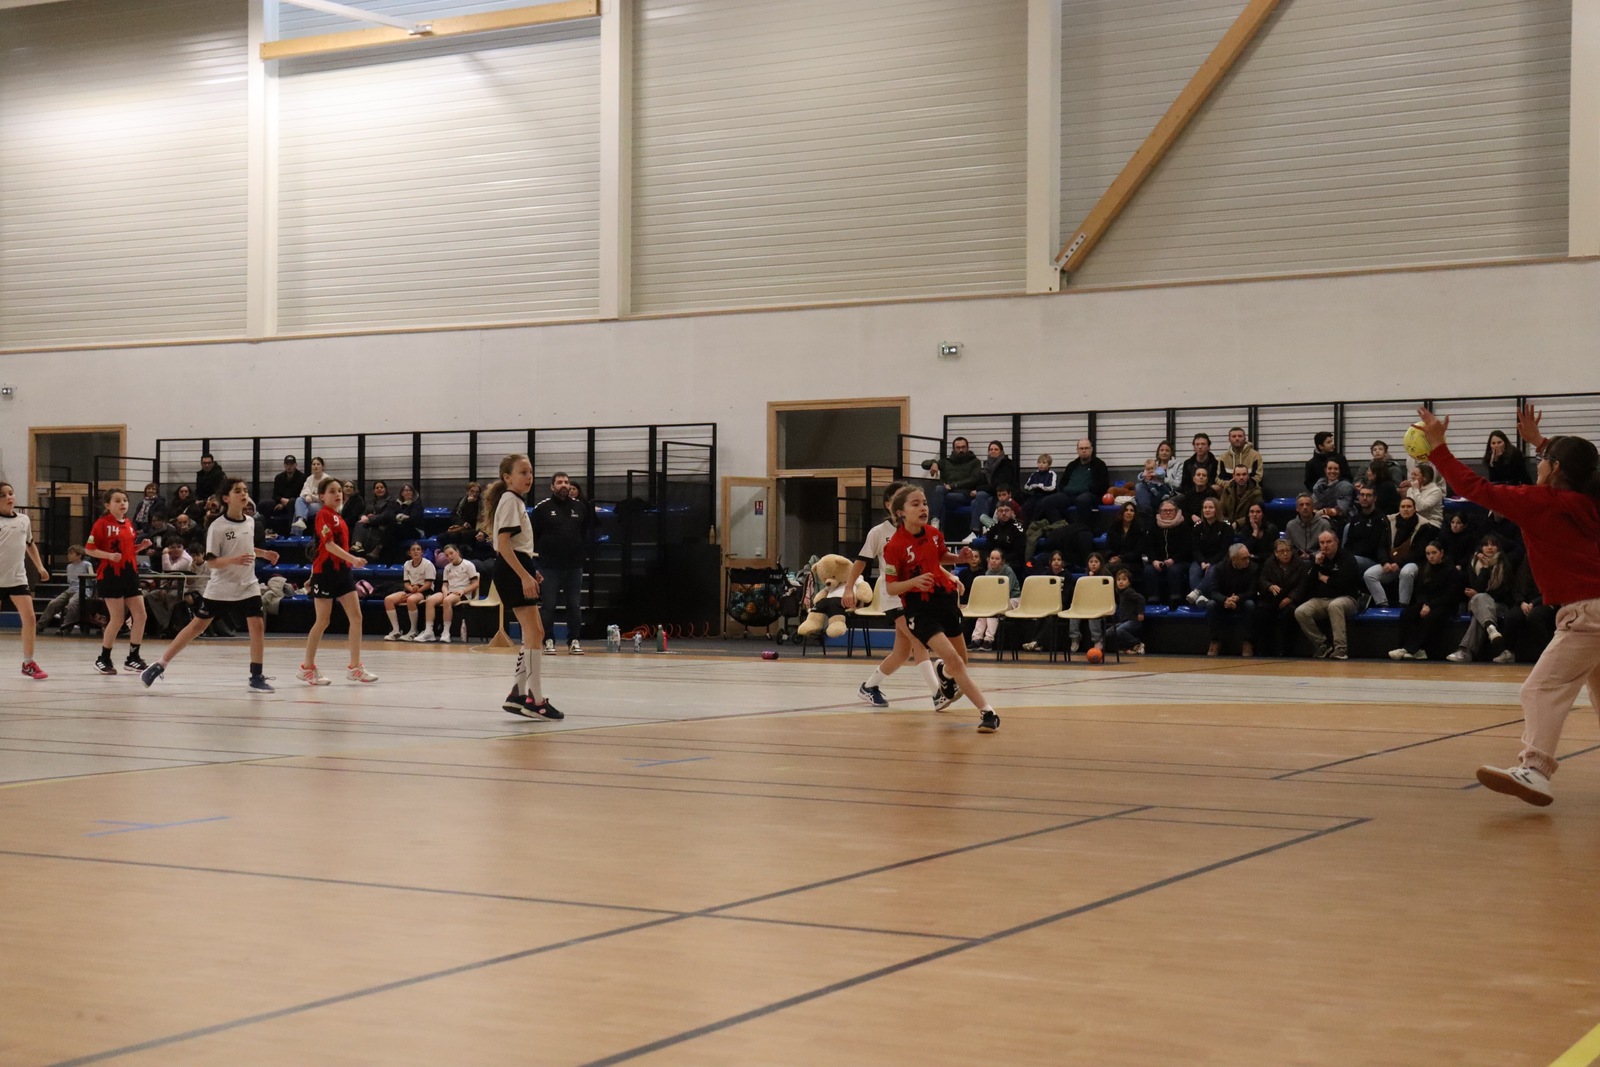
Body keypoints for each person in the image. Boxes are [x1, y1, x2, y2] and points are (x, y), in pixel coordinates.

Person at [1413, 403, 1600, 806]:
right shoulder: (1589, 500)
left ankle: (1535, 770)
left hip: (1588, 614)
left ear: (1555, 468)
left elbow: (1475, 488)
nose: (1538, 464)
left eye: (1543, 459)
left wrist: (1438, 448)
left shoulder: (1541, 501)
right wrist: (1542, 443)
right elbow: (1578, 469)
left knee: (1540, 689)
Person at [140, 478, 281, 692]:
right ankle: (160, 664)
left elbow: (245, 548)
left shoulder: (250, 522)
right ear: (226, 498)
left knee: (257, 625)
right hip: (222, 586)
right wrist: (234, 560)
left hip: (247, 584)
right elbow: (212, 561)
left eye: (245, 490)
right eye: (238, 491)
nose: (244, 494)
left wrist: (263, 553)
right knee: (197, 626)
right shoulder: (218, 526)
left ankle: (256, 676)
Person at [882, 485, 997, 733]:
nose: (923, 508)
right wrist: (913, 582)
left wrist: (960, 559)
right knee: (954, 659)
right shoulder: (894, 546)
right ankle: (988, 712)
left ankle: (944, 674)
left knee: (960, 661)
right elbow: (891, 588)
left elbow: (940, 556)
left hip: (944, 601)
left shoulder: (934, 534)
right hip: (919, 610)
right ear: (900, 512)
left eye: (924, 503)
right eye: (915, 504)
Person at [847, 481, 959, 711]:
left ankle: (869, 686)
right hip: (894, 597)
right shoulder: (879, 533)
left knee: (901, 652)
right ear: (891, 505)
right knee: (919, 641)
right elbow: (861, 562)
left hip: (915, 597)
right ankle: (937, 694)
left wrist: (950, 576)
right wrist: (849, 588)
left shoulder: (918, 531)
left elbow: (930, 560)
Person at [484, 454, 562, 720]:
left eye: (530, 472)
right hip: (511, 570)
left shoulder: (515, 501)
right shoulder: (509, 500)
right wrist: (524, 576)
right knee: (534, 632)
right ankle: (535, 700)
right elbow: (504, 545)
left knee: (535, 632)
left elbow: (517, 546)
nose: (529, 477)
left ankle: (518, 693)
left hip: (518, 565)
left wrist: (530, 571)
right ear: (507, 477)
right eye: (523, 472)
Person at [299, 477, 378, 686]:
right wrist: (354, 559)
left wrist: (348, 562)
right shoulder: (323, 515)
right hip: (325, 573)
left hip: (343, 572)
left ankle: (355, 667)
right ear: (322, 496)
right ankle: (307, 668)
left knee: (356, 617)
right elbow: (328, 545)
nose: (337, 494)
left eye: (339, 491)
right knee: (322, 621)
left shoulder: (339, 517)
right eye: (332, 491)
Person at [84, 488, 152, 675]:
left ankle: (133, 658)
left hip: (130, 574)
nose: (123, 503)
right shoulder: (101, 524)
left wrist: (140, 547)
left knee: (141, 615)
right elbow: (89, 549)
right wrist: (108, 556)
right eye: (117, 500)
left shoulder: (129, 524)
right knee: (118, 618)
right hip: (110, 575)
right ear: (107, 505)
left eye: (125, 500)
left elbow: (126, 551)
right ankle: (103, 658)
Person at [532, 471, 593, 655]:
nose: (564, 485)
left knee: (574, 605)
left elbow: (584, 532)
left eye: (566, 482)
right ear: (552, 486)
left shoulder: (580, 507)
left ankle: (574, 641)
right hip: (549, 566)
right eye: (559, 482)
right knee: (548, 605)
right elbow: (533, 536)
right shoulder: (542, 508)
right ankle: (548, 640)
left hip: (574, 565)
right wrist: (536, 563)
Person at [1445, 535, 1521, 665]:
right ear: (1481, 548)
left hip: (1500, 605)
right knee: (1480, 601)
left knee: (1479, 605)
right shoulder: (1473, 563)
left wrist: (1483, 594)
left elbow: (1504, 593)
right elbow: (1476, 586)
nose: (1489, 547)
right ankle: (1495, 637)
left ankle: (1466, 651)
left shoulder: (1504, 564)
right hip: (1480, 604)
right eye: (1486, 545)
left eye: (1493, 544)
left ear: (1498, 548)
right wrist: (1485, 569)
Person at [0, 482, 49, 679]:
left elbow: (30, 544)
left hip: (17, 578)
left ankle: (28, 663)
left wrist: (40, 566)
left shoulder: (24, 520)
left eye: (11, 493)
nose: (9, 497)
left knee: (29, 619)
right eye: (3, 495)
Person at [1294, 529, 1363, 660]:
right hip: (1322, 599)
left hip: (1347, 598)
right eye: (1322, 542)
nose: (1325, 545)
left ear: (1336, 542)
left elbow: (1344, 584)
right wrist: (1316, 565)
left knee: (1335, 605)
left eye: (1329, 542)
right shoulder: (1318, 559)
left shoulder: (1347, 558)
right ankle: (1322, 644)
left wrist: (1324, 578)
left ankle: (1341, 649)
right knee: (1301, 611)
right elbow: (1308, 583)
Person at [1388, 541, 1462, 661]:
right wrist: (1424, 604)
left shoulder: (1452, 571)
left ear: (1441, 553)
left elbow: (1450, 596)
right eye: (1428, 553)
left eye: (1434, 553)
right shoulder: (1425, 569)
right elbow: (1420, 591)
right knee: (1407, 613)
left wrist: (1430, 606)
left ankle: (1409, 649)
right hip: (1427, 603)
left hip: (1446, 605)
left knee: (1432, 616)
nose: (1431, 556)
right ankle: (1412, 649)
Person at [1365, 496, 1436, 607]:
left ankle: (1403, 604)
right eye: (1403, 507)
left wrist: (1399, 563)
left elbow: (1419, 552)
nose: (1405, 509)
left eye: (1409, 506)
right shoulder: (1389, 521)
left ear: (1415, 509)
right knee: (1369, 574)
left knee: (1406, 572)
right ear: (1399, 509)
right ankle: (1382, 604)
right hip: (1391, 562)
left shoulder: (1424, 525)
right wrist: (1385, 562)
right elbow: (1382, 546)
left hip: (1414, 563)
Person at [1254, 537, 1310, 657]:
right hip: (1273, 598)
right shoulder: (1269, 563)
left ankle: (1285, 650)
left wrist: (1290, 598)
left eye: (1288, 550)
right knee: (1261, 611)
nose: (1285, 554)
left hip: (1291, 600)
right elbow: (1262, 579)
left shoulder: (1300, 564)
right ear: (1275, 553)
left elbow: (1303, 585)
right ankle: (1262, 649)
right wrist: (1269, 586)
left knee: (1288, 613)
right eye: (1281, 551)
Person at [920, 436, 982, 536]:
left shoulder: (975, 462)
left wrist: (953, 485)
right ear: (953, 449)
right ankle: (937, 526)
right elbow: (924, 464)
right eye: (958, 447)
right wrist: (934, 463)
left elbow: (974, 479)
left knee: (940, 498)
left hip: (965, 494)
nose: (961, 450)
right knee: (939, 491)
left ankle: (936, 526)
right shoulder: (946, 462)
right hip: (946, 492)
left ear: (967, 448)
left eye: (963, 447)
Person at [1205, 544, 1258, 657]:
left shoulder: (1253, 568)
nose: (1247, 561)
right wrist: (1225, 600)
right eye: (1244, 558)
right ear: (1233, 559)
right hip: (1224, 602)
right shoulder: (1220, 568)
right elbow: (1213, 591)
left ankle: (1248, 642)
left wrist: (1238, 598)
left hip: (1242, 601)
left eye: (1248, 557)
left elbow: (1253, 591)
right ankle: (1215, 641)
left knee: (1250, 605)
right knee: (1210, 605)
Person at [1042, 439, 1109, 526]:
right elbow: (1062, 483)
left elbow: (1104, 485)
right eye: (1081, 448)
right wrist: (1065, 490)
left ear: (1091, 449)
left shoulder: (1099, 465)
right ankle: (1060, 527)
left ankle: (1079, 528)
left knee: (1082, 500)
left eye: (1086, 448)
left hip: (1088, 495)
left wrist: (1088, 489)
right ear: (1077, 450)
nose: (1084, 451)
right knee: (1047, 501)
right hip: (1069, 495)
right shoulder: (1072, 465)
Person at [423, 543, 479, 644]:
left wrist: (463, 591)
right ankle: (429, 631)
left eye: (451, 553)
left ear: (457, 552)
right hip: (450, 591)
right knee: (430, 600)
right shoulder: (447, 568)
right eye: (447, 555)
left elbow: (475, 583)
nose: (449, 556)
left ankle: (446, 632)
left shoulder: (468, 565)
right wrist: (445, 591)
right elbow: (444, 585)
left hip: (462, 593)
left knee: (447, 600)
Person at [1143, 499, 1191, 608]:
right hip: (1158, 561)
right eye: (1165, 510)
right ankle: (1153, 599)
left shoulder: (1184, 526)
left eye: (1171, 510)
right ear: (1160, 512)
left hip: (1179, 561)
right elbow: (1149, 546)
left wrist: (1173, 560)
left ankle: (1175, 598)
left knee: (1174, 570)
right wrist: (1154, 561)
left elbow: (1186, 547)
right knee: (1149, 570)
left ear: (1176, 511)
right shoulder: (1154, 526)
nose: (1168, 512)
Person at [969, 548, 1019, 652]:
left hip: (1013, 599)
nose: (994, 561)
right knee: (983, 611)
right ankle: (976, 639)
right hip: (994, 601)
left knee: (994, 610)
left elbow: (1007, 590)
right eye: (992, 558)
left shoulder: (1008, 571)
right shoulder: (988, 573)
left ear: (1002, 561)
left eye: (997, 559)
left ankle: (988, 640)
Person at [384, 542, 435, 641]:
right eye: (413, 550)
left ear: (422, 552)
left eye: (418, 549)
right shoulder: (407, 564)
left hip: (424, 591)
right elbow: (406, 583)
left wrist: (415, 592)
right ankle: (396, 630)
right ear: (409, 553)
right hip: (411, 590)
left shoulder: (428, 564)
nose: (416, 551)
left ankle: (413, 630)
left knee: (411, 600)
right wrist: (411, 590)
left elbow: (428, 584)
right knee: (388, 600)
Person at [39, 545, 91, 635]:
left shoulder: (87, 564)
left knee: (72, 604)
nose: (68, 555)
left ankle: (66, 627)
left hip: (83, 589)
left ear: (79, 555)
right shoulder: (69, 567)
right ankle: (39, 626)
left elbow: (91, 578)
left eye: (71, 553)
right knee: (53, 603)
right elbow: (70, 581)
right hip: (70, 589)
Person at [1188, 498, 1232, 597]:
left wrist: (1211, 563)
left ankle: (1197, 593)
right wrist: (1202, 562)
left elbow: (1224, 550)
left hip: (1219, 559)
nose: (1207, 510)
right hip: (1201, 559)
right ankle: (1200, 598)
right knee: (1194, 571)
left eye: (1211, 507)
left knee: (1213, 570)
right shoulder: (1198, 526)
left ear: (1217, 509)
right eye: (1205, 507)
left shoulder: (1226, 526)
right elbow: (1195, 549)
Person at [969, 441, 1019, 524]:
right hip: (991, 491)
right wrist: (979, 488)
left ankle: (987, 525)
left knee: (980, 495)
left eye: (996, 449)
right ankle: (975, 529)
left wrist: (978, 490)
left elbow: (998, 484)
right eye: (991, 449)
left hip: (1001, 492)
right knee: (974, 503)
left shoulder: (1006, 464)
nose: (993, 451)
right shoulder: (987, 464)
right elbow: (982, 481)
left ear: (1001, 451)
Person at [1102, 567, 1147, 655]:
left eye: (1124, 579)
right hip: (1124, 621)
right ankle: (1124, 647)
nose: (1121, 582)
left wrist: (1140, 613)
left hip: (1133, 620)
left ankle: (1137, 644)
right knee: (1108, 632)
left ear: (1129, 582)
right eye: (1118, 579)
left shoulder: (1128, 592)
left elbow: (1141, 598)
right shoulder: (1120, 593)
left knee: (1119, 631)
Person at [1103, 502, 1147, 574]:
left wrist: (1121, 558)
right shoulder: (1113, 527)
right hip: (1114, 561)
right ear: (1122, 512)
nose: (1129, 513)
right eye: (1126, 510)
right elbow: (1108, 547)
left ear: (1135, 514)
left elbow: (1137, 552)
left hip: (1133, 563)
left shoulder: (1140, 529)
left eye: (1132, 511)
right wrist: (1112, 557)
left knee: (1107, 568)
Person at [1285, 494, 1331, 559]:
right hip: (1297, 560)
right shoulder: (1290, 525)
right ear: (1297, 508)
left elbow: (1327, 548)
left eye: (1308, 504)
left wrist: (1310, 556)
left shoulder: (1324, 524)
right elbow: (1289, 547)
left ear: (1313, 508)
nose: (1305, 507)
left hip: (1318, 559)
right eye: (1301, 505)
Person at [291, 457, 329, 534]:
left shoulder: (327, 479)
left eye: (318, 464)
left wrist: (312, 497)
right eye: (314, 464)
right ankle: (300, 521)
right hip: (310, 503)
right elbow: (304, 490)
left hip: (322, 504)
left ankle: (296, 534)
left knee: (299, 510)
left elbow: (326, 496)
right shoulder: (309, 479)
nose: (316, 466)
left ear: (322, 466)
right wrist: (307, 495)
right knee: (299, 500)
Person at [1311, 459, 1355, 525]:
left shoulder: (1346, 487)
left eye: (1336, 469)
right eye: (1330, 468)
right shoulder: (1318, 486)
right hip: (1318, 519)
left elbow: (1342, 509)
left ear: (1340, 471)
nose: (1332, 471)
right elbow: (1312, 504)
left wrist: (1324, 512)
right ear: (1325, 470)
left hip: (1341, 520)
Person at [1402, 463, 1445, 527]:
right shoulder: (1410, 490)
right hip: (1412, 521)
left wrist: (1416, 490)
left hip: (1430, 522)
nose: (1412, 477)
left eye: (1415, 475)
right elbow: (1408, 506)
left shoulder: (1436, 491)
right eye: (1412, 474)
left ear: (1425, 478)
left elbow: (1421, 508)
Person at [1019, 454, 1057, 525]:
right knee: (1026, 506)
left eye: (1044, 463)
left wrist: (1040, 486)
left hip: (1047, 496)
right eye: (1039, 462)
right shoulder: (1034, 474)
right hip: (1036, 496)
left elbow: (1052, 487)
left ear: (1049, 465)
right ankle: (1025, 524)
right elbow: (1026, 486)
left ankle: (1033, 524)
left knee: (1038, 507)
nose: (1041, 465)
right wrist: (1033, 486)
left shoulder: (1052, 474)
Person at [271, 456, 305, 524]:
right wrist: (281, 500)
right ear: (284, 465)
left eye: (291, 464)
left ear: (295, 465)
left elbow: (301, 495)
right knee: (264, 505)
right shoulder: (278, 477)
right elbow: (275, 495)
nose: (289, 466)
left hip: (295, 503)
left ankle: (292, 527)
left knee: (292, 502)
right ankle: (268, 527)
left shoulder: (302, 478)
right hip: (280, 502)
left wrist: (285, 504)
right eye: (287, 464)